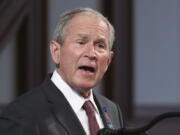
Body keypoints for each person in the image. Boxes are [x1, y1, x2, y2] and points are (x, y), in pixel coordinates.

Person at [0, 8, 123, 135]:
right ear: (56, 52)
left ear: (108, 61)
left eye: (100, 46)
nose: (91, 54)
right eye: (81, 42)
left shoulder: (112, 110)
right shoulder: (22, 113)